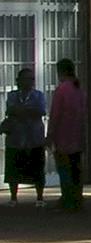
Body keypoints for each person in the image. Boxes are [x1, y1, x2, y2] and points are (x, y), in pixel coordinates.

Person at [4, 66, 49, 207]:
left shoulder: (39, 95)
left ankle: (40, 198)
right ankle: (13, 198)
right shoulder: (12, 95)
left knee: (37, 169)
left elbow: (41, 110)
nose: (30, 82)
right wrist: (28, 110)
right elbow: (10, 110)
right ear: (19, 81)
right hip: (15, 139)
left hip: (34, 138)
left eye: (32, 79)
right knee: (14, 169)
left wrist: (21, 111)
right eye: (27, 79)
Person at [46, 58, 86, 212]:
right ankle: (77, 199)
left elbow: (55, 115)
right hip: (77, 135)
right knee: (76, 169)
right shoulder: (79, 90)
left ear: (60, 72)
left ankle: (67, 200)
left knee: (64, 170)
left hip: (63, 136)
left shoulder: (61, 90)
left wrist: (50, 135)